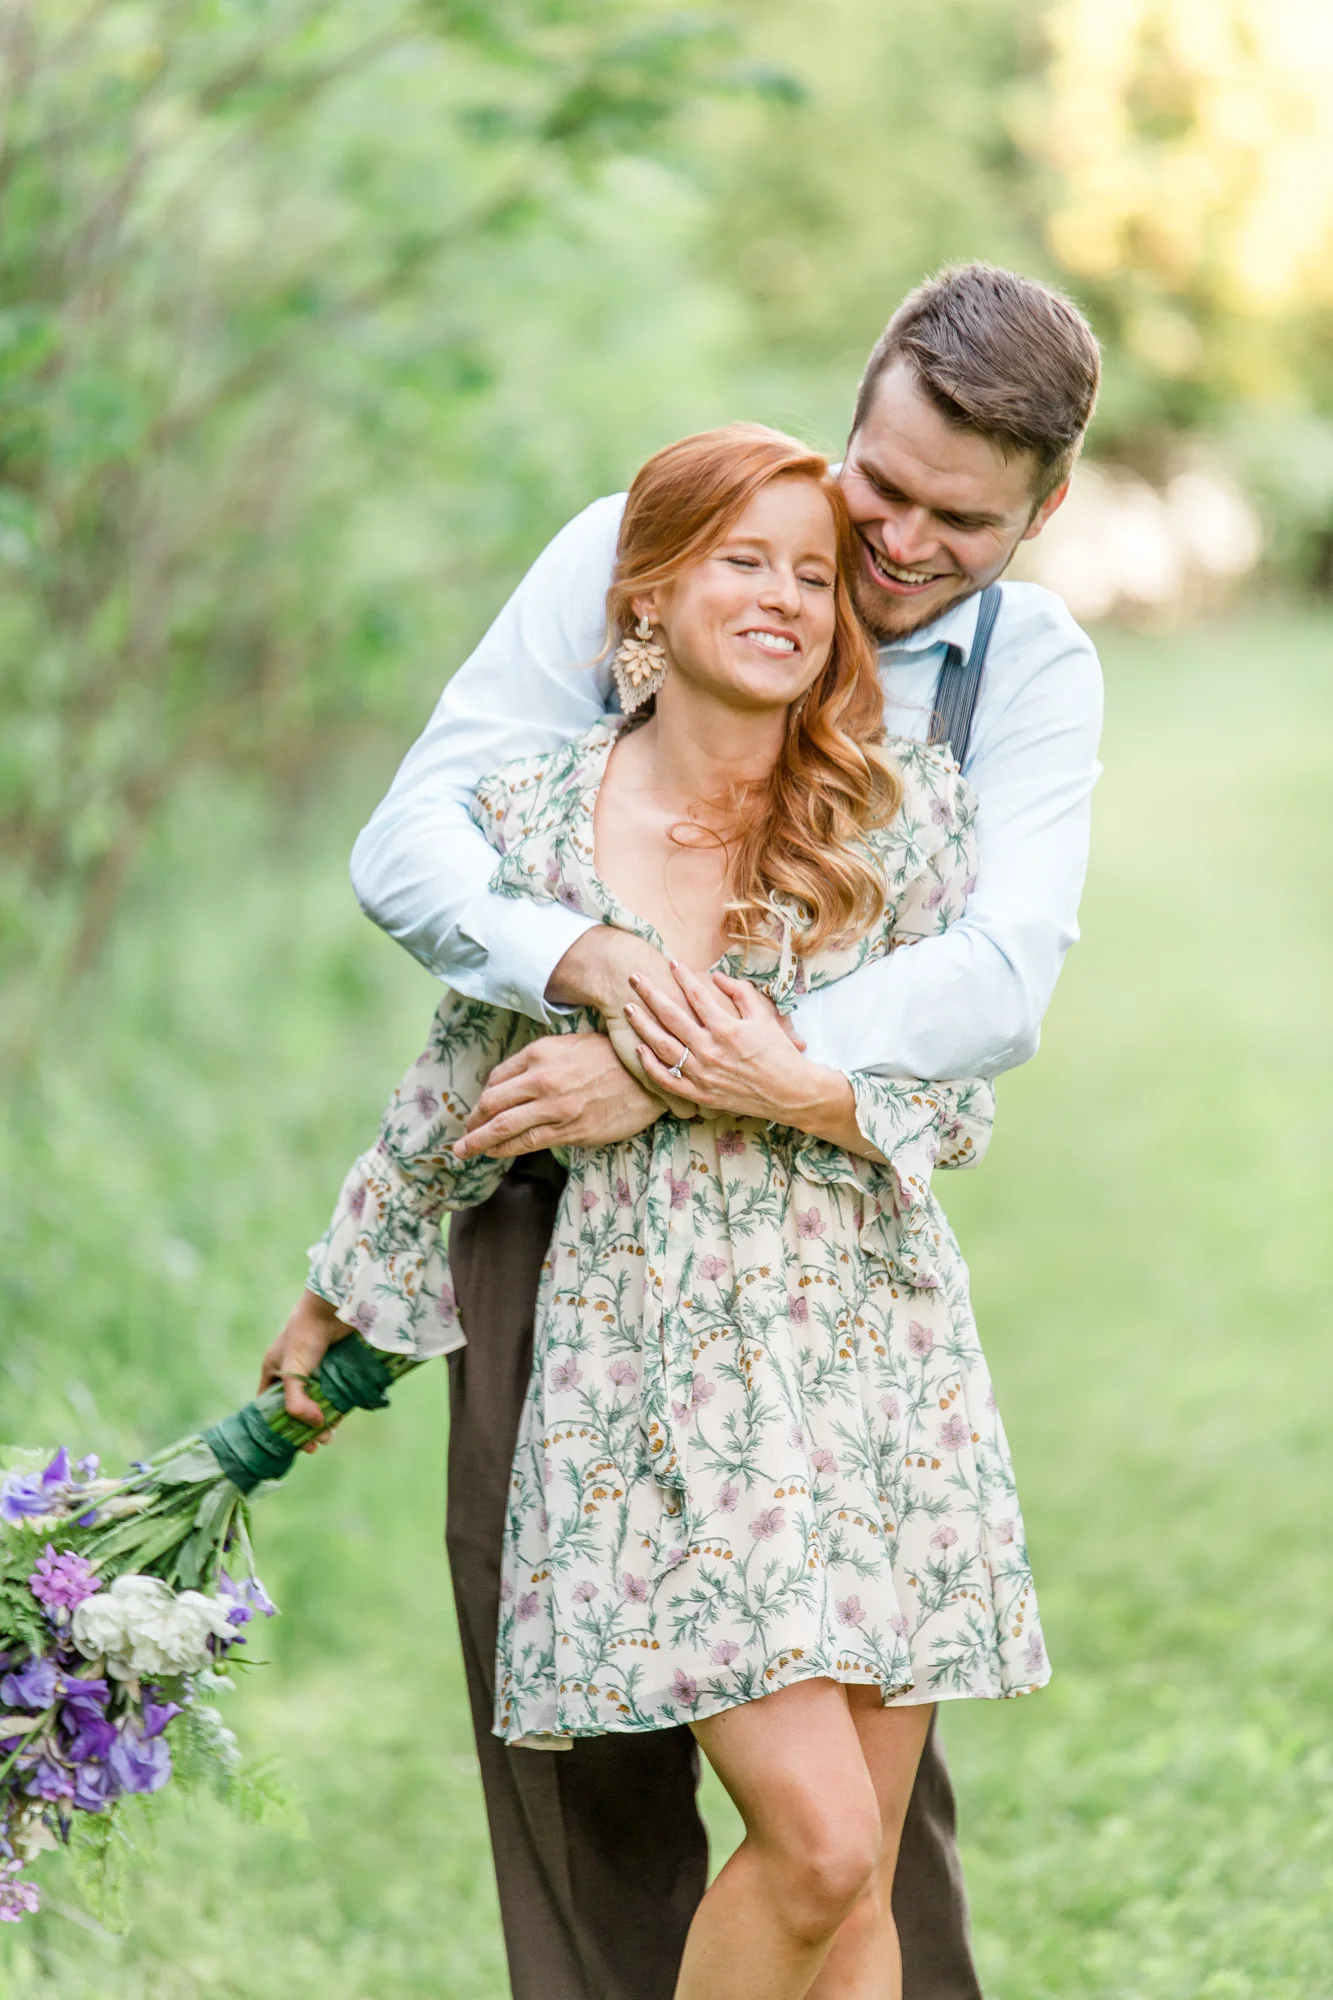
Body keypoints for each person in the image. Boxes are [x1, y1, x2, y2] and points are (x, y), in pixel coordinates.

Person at [263, 263, 1104, 2000]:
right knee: (596, 1770)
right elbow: (422, 856)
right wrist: (589, 966)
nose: (889, 550)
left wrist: (679, 1058)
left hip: (839, 1287)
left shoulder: (1002, 698)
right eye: (882, 488)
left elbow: (994, 987)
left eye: (961, 522)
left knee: (855, 1841)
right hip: (575, 1231)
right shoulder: (656, 542)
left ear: (1045, 511)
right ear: (852, 417)